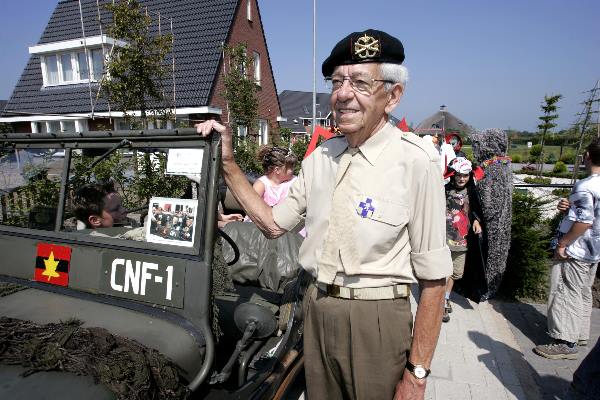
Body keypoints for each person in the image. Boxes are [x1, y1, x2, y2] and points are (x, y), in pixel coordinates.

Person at [196, 29, 451, 400]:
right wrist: (230, 163)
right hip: (314, 308)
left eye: (361, 83)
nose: (343, 94)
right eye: (337, 82)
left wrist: (417, 374)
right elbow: (271, 224)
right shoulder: (319, 159)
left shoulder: (416, 161)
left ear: (393, 96)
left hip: (376, 321)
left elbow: (435, 282)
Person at [534, 137, 600, 360]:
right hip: (593, 250)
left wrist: (563, 244)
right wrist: (569, 206)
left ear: (588, 156)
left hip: (577, 249)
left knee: (565, 292)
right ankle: (579, 334)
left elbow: (584, 222)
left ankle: (565, 341)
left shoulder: (586, 185)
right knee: (582, 292)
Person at [442, 157, 483, 322]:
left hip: (462, 241)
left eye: (465, 175)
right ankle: (443, 301)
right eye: (458, 175)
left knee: (456, 273)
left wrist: (476, 220)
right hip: (443, 238)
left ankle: (445, 296)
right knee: (442, 272)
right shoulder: (444, 190)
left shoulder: (472, 192)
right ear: (453, 175)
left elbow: (476, 210)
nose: (461, 178)